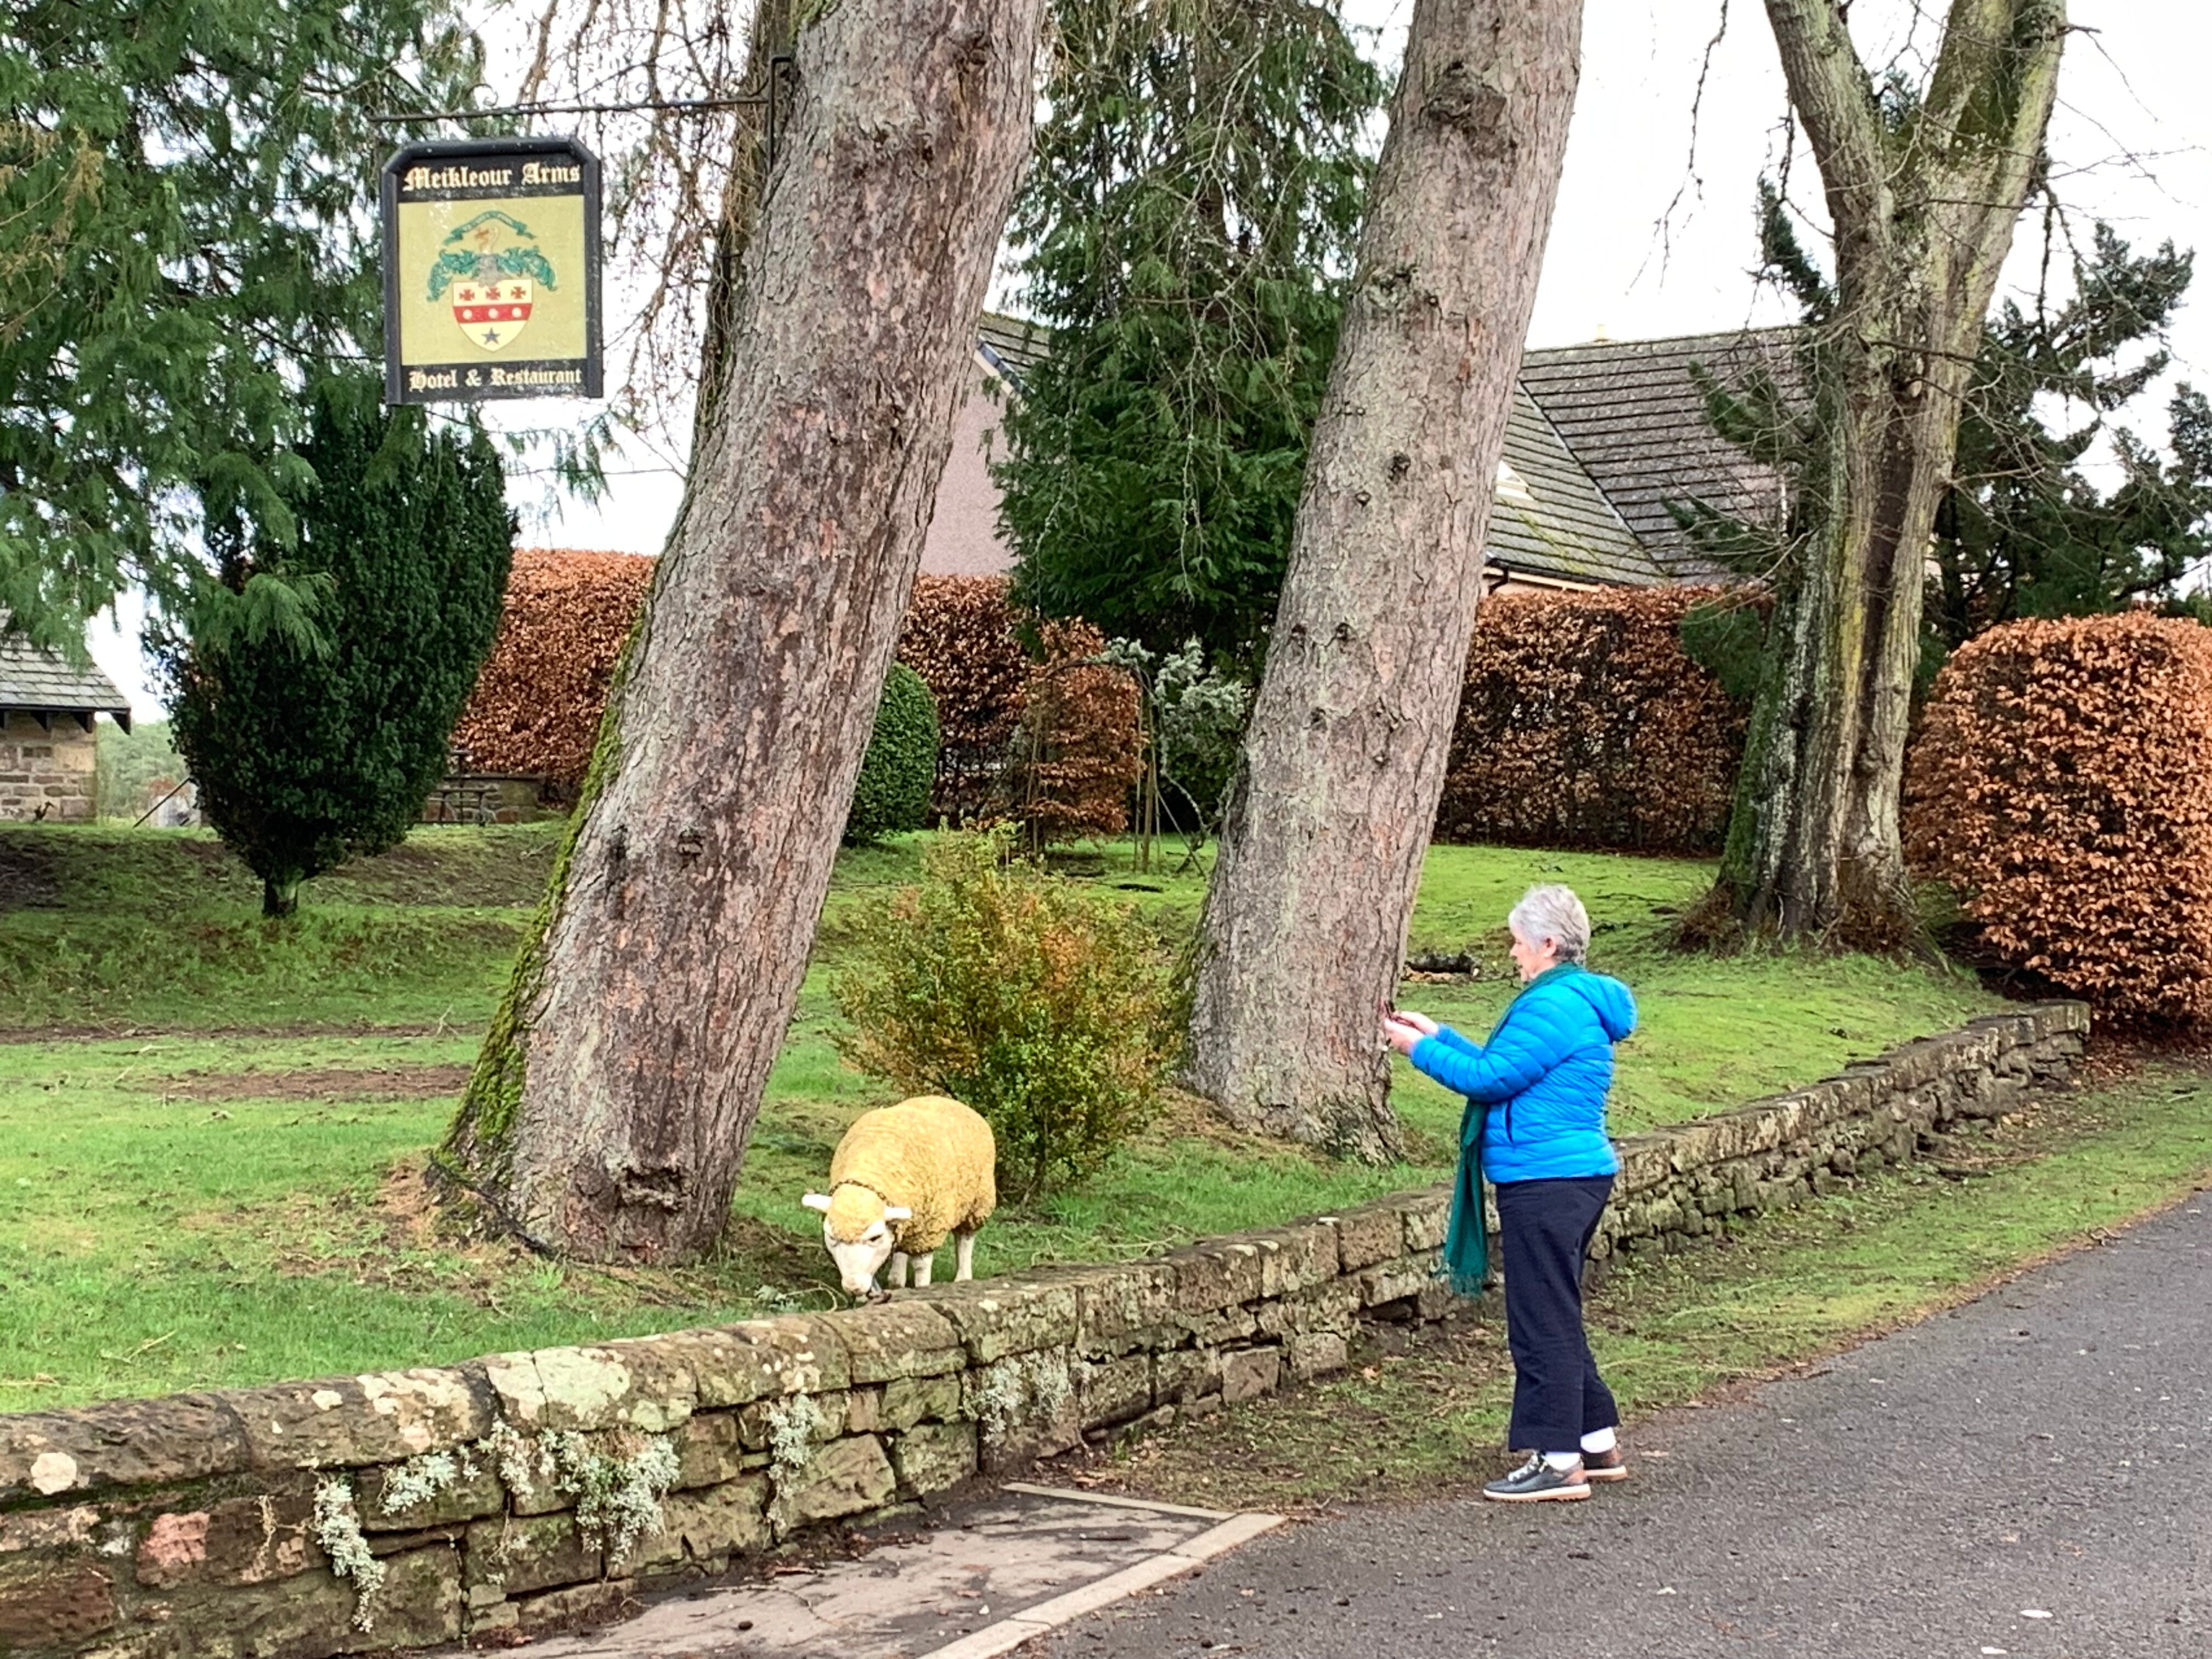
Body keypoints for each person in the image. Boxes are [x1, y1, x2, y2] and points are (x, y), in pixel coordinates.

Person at [1383, 883, 1636, 1504]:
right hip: (1568, 1175)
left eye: (1519, 942)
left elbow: (1491, 1079)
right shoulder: (1567, 1000)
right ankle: (1595, 1442)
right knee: (1556, 1310)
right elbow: (1510, 1068)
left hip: (1547, 1182)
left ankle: (1558, 1461)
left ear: (1548, 944)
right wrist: (1439, 1033)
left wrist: (1417, 1051)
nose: (1513, 952)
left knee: (1539, 1319)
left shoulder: (1554, 1004)